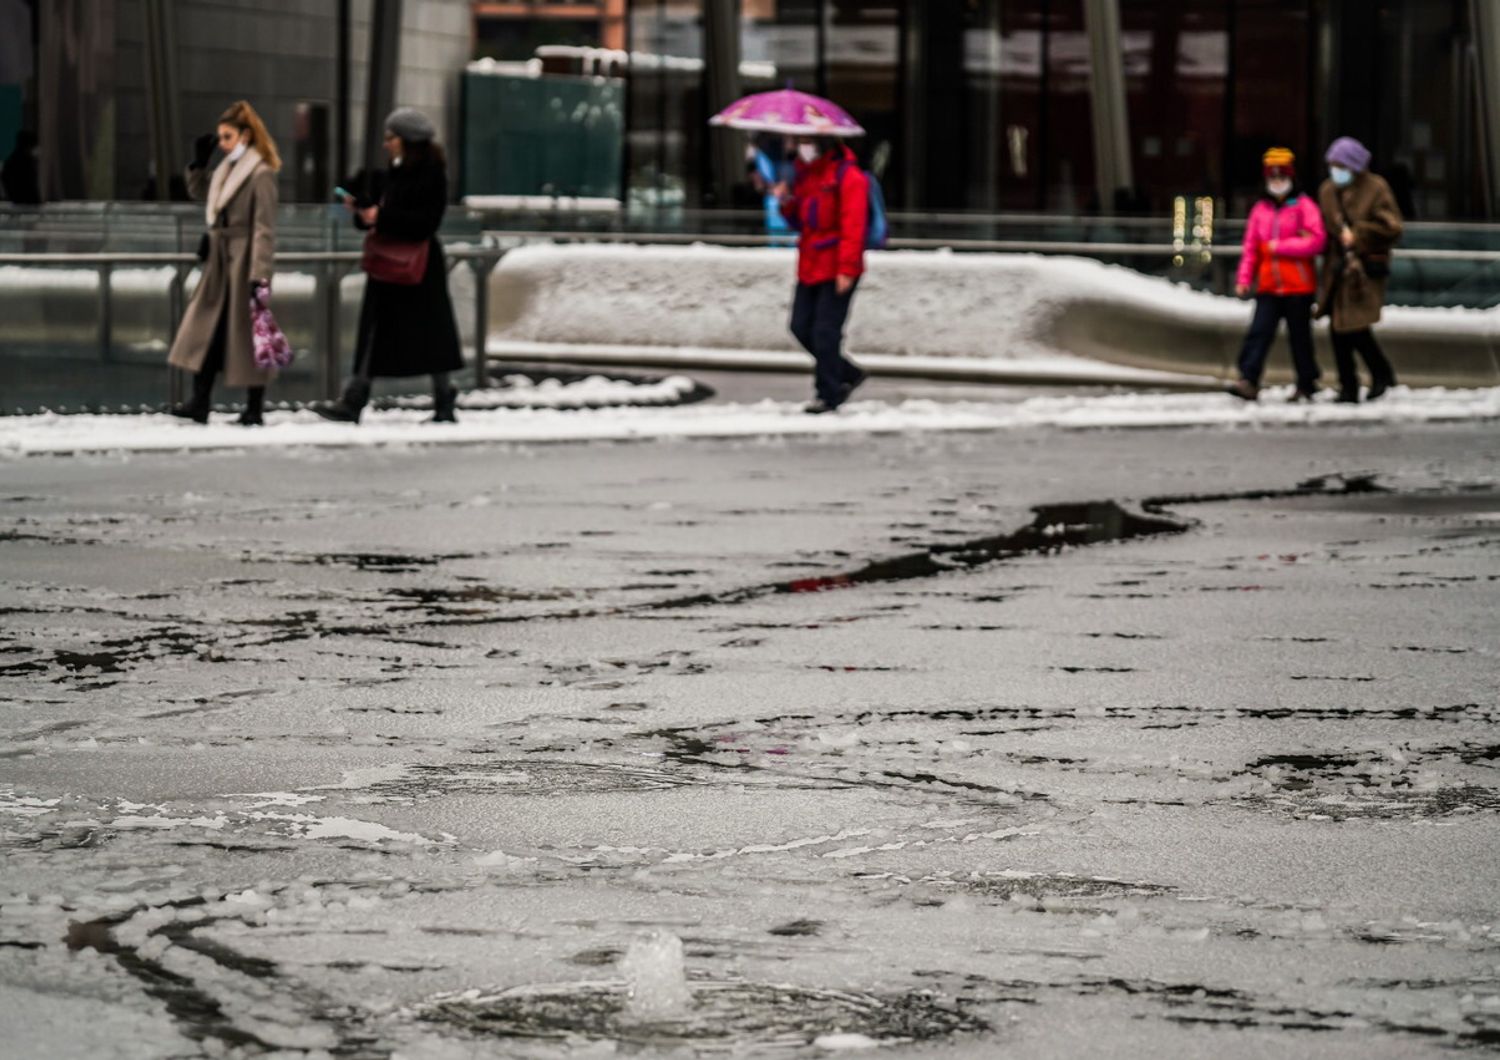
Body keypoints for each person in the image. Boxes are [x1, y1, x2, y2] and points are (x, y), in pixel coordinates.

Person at [316, 108, 463, 424]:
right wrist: (361, 211)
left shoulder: (431, 173)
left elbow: (425, 223)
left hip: (417, 268)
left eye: (391, 137)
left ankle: (443, 398)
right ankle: (355, 397)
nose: (386, 144)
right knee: (375, 333)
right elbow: (377, 214)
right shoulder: (393, 171)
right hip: (388, 265)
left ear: (408, 140)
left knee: (430, 336)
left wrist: (381, 217)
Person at [166, 101, 280, 426]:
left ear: (245, 136)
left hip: (243, 262)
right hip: (220, 261)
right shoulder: (228, 169)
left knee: (248, 334)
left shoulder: (260, 173)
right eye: (220, 137)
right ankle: (200, 400)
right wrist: (199, 164)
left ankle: (252, 407)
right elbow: (206, 196)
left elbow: (264, 227)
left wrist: (259, 273)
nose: (223, 143)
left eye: (227, 136)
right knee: (206, 329)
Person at [777, 135, 869, 414]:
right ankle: (847, 372)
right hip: (810, 265)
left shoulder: (849, 177)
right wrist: (786, 201)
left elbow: (854, 227)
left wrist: (847, 269)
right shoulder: (805, 177)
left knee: (825, 333)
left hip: (835, 267)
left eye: (804, 141)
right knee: (800, 326)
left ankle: (828, 394)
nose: (798, 147)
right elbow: (800, 221)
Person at [1227, 147, 1326, 402]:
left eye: (1282, 178)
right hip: (1269, 285)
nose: (1277, 183)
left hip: (1298, 286)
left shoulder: (1305, 206)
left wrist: (1279, 246)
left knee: (1300, 338)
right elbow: (1251, 248)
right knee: (1259, 332)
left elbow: (1317, 241)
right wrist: (1244, 279)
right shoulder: (1260, 210)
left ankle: (1307, 382)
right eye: (1273, 178)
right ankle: (1248, 379)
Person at [1315, 136, 1402, 403]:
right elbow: (1324, 228)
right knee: (1339, 327)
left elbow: (1392, 227)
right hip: (1338, 267)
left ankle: (1377, 375)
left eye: (1341, 165)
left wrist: (1359, 234)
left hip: (1364, 269)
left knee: (1354, 326)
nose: (1336, 171)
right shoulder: (1328, 191)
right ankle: (1352, 384)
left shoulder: (1376, 188)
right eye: (1332, 165)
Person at [1, 130, 41, 204]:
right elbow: (30, 182)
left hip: (16, 198)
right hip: (27, 200)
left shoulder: (11, 160)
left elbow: (5, 178)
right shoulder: (26, 160)